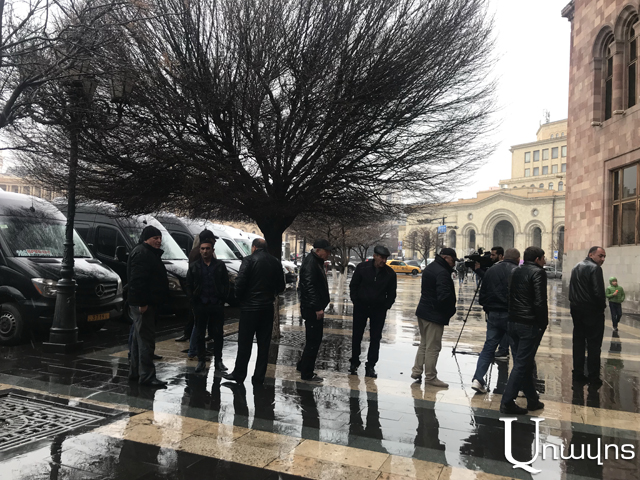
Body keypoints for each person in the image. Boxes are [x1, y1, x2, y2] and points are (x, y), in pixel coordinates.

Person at [222, 238, 285, 385]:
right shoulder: (275, 262)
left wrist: (240, 299)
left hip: (249, 309)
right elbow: (281, 286)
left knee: (245, 343)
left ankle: (239, 374)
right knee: (264, 345)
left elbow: (240, 282)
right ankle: (258, 377)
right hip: (267, 308)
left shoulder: (249, 260)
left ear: (254, 247)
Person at [499, 246, 547, 414]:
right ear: (537, 259)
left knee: (523, 362)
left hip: (513, 322)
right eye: (543, 258)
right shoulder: (538, 272)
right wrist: (543, 323)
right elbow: (540, 301)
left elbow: (509, 296)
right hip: (528, 323)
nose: (545, 261)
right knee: (521, 364)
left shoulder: (515, 271)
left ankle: (532, 400)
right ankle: (507, 402)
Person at [471, 248, 520, 394]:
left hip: (493, 314)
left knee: (488, 347)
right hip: (511, 315)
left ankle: (478, 379)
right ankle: (520, 385)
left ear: (503, 257)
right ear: (518, 259)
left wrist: (488, 308)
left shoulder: (491, 270)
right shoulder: (518, 271)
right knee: (517, 350)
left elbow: (482, 295)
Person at [127, 225, 170, 388]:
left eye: (160, 238)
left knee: (138, 341)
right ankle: (147, 376)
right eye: (155, 238)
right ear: (147, 239)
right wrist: (143, 303)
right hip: (144, 304)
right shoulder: (143, 254)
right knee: (146, 341)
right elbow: (138, 281)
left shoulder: (144, 252)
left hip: (144, 302)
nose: (159, 241)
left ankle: (135, 373)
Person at [411, 247, 457, 388]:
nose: (454, 263)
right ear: (445, 258)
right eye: (453, 260)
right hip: (434, 314)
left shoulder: (431, 267)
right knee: (433, 347)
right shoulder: (442, 272)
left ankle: (417, 371)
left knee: (424, 343)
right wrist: (450, 310)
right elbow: (444, 296)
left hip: (424, 311)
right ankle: (431, 377)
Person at [349, 245, 397, 378]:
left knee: (375, 338)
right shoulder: (362, 268)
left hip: (378, 310)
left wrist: (385, 306)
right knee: (357, 335)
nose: (383, 261)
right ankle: (354, 362)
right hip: (361, 307)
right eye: (381, 257)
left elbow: (392, 293)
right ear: (375, 256)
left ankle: (371, 366)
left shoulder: (390, 273)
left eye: (385, 258)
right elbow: (354, 285)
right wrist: (356, 301)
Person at [185, 236, 230, 374]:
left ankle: (218, 361)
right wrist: (193, 300)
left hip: (216, 304)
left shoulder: (220, 265)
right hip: (201, 304)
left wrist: (222, 299)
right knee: (199, 333)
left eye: (208, 249)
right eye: (203, 249)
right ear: (200, 250)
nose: (205, 251)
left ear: (212, 250)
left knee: (218, 333)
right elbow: (188, 284)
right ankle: (201, 360)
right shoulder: (194, 266)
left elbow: (226, 283)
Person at [569, 246, 607, 386]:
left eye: (604, 256)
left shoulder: (576, 267)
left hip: (576, 309)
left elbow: (572, 289)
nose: (602, 259)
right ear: (591, 254)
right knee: (594, 345)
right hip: (592, 311)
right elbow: (598, 292)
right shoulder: (595, 269)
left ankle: (578, 373)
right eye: (600, 256)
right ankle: (593, 376)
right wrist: (601, 307)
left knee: (578, 342)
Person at [297, 239, 332, 382]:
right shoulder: (311, 262)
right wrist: (317, 307)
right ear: (318, 250)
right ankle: (307, 373)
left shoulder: (315, 261)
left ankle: (302, 365)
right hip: (312, 309)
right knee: (313, 341)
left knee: (312, 340)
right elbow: (309, 287)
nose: (328, 254)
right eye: (326, 251)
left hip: (312, 307)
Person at [175, 229, 218, 342]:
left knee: (197, 317)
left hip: (199, 291)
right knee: (197, 319)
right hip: (200, 291)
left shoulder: (196, 251)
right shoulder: (199, 253)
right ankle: (193, 342)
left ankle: (192, 337)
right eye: (213, 239)